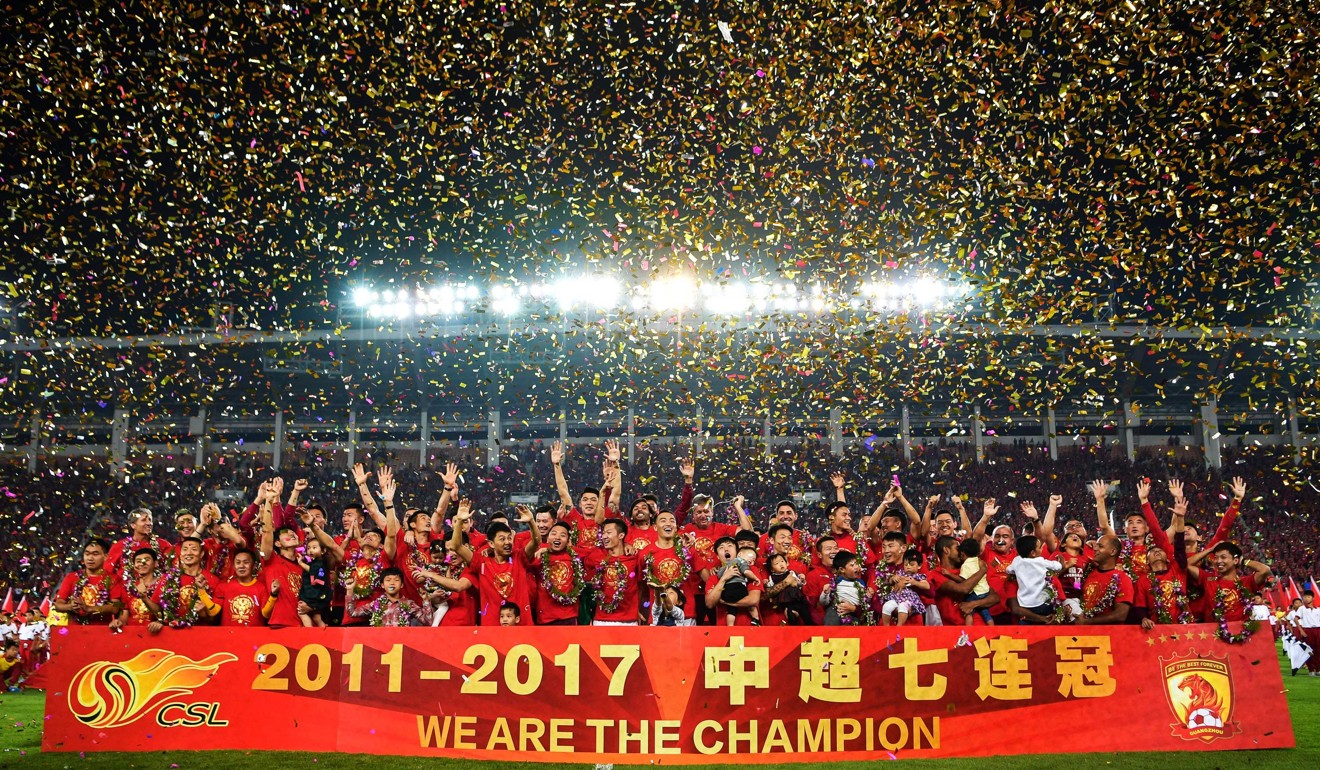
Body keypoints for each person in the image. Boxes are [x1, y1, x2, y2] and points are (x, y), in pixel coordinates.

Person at [435, 503, 541, 625]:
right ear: (491, 543)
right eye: (502, 539)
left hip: (522, 624)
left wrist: (532, 522)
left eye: (509, 538)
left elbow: (536, 542)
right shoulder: (481, 561)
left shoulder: (519, 557)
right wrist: (459, 521)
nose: (507, 542)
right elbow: (456, 546)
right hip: (491, 627)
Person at [54, 539, 122, 627]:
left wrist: (90, 609)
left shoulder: (114, 578)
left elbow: (116, 607)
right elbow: (58, 605)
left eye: (95, 554)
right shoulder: (71, 577)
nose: (90, 558)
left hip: (102, 632)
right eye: (87, 554)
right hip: (75, 632)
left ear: (105, 557)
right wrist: (72, 606)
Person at [199, 549, 276, 626]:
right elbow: (213, 611)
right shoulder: (224, 586)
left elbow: (266, 614)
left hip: (253, 636)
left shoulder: (261, 587)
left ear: (254, 566)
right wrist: (201, 591)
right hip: (229, 636)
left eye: (246, 562)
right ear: (234, 566)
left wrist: (273, 595)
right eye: (238, 563)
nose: (241, 566)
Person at [590, 518, 644, 626]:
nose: (604, 536)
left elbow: (641, 585)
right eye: (603, 533)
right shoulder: (596, 556)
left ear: (621, 535)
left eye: (609, 532)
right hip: (601, 620)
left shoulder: (634, 557)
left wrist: (639, 609)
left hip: (629, 621)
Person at [345, 567, 437, 627]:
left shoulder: (408, 604)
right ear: (382, 585)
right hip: (379, 645)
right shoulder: (376, 604)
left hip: (401, 646)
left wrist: (425, 600)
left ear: (401, 585)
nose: (392, 583)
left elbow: (428, 622)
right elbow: (352, 613)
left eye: (396, 580)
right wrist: (350, 590)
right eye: (388, 580)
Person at [106, 508, 174, 586]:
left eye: (150, 520)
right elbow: (108, 573)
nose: (149, 523)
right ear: (133, 525)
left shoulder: (163, 545)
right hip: (126, 594)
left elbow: (173, 569)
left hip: (155, 592)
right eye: (144, 520)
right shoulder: (119, 546)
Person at [1076, 535, 1135, 625]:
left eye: (1100, 546)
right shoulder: (1088, 573)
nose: (1095, 549)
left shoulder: (1123, 578)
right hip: (1084, 633)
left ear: (1112, 552)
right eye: (1096, 545)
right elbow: (1076, 590)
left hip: (1109, 635)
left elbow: (1121, 615)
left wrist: (1087, 622)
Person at [1006, 535, 1063, 621]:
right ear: (1033, 553)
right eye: (1040, 547)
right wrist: (1061, 562)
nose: (1041, 549)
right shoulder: (1040, 561)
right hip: (1042, 604)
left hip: (1024, 604)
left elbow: (1008, 570)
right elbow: (1057, 566)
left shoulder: (1017, 561)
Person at [109, 548, 160, 630]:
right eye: (138, 561)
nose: (142, 563)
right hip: (132, 634)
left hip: (156, 633)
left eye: (147, 560)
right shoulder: (127, 587)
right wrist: (119, 622)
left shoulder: (163, 585)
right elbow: (124, 614)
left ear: (156, 563)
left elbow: (164, 613)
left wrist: (160, 622)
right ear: (134, 565)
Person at [879, 549, 930, 626]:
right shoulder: (900, 573)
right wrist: (893, 578)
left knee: (903, 607)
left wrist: (915, 582)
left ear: (919, 566)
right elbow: (889, 582)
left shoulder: (918, 576)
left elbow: (927, 586)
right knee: (887, 606)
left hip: (908, 601)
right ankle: (886, 627)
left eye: (912, 565)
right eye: (906, 564)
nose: (908, 567)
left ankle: (899, 626)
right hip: (895, 598)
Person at [764, 552, 814, 625]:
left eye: (782, 561)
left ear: (787, 563)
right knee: (791, 616)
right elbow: (769, 588)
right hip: (787, 603)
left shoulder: (791, 572)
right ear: (772, 570)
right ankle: (794, 630)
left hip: (798, 599)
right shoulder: (772, 577)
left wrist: (802, 580)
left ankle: (811, 629)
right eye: (777, 563)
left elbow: (799, 584)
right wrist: (765, 583)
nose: (781, 564)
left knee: (806, 615)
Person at [824, 551, 872, 625]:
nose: (856, 567)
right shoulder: (835, 582)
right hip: (836, 610)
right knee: (831, 615)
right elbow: (824, 602)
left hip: (853, 614)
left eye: (856, 563)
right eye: (852, 565)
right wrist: (825, 593)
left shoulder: (861, 583)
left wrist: (868, 596)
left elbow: (864, 604)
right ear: (842, 569)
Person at [957, 538, 995, 625]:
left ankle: (968, 632)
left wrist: (949, 575)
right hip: (985, 592)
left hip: (975, 593)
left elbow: (963, 582)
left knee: (968, 612)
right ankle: (993, 630)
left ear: (962, 554)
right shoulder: (980, 562)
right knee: (986, 615)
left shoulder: (966, 565)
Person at [297, 538, 332, 627]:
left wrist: (301, 563)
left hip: (314, 595)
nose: (310, 550)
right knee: (316, 617)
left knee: (302, 612)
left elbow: (313, 571)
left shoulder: (321, 563)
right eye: (308, 548)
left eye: (314, 547)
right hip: (312, 594)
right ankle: (318, 630)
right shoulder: (313, 562)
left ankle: (310, 631)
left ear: (323, 551)